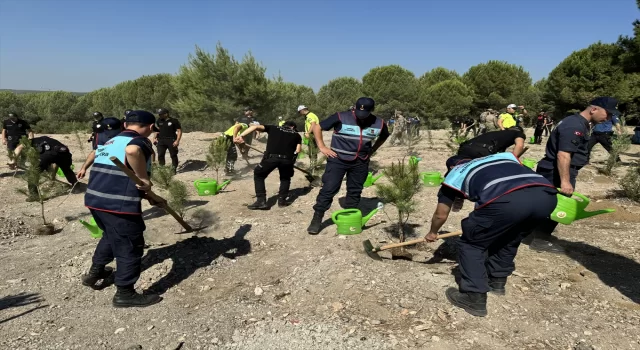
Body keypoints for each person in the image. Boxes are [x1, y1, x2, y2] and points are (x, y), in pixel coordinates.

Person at [424, 152, 557, 317]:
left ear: (452, 167)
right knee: (510, 237)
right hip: (546, 196)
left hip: (507, 200)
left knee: (472, 244)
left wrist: (432, 232)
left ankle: (474, 297)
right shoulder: (500, 158)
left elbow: (440, 215)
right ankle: (497, 281)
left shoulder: (455, 173)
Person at [82, 110, 162, 308]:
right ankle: (125, 293)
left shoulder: (111, 141)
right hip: (118, 205)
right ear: (151, 127)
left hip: (95, 200)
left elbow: (120, 175)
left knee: (110, 236)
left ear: (125, 124)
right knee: (130, 245)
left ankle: (96, 272)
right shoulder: (140, 141)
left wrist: (148, 196)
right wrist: (144, 179)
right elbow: (132, 153)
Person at [527, 97, 617, 254]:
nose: (608, 118)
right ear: (594, 109)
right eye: (607, 113)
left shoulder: (579, 122)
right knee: (555, 205)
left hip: (556, 169)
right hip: (555, 171)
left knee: (546, 204)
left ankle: (531, 235)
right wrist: (565, 182)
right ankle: (540, 240)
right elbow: (563, 155)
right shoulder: (574, 125)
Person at [306, 97, 390, 234]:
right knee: (329, 188)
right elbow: (317, 127)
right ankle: (317, 218)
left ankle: (349, 217)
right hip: (337, 159)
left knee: (355, 190)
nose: (360, 116)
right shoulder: (340, 116)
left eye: (364, 113)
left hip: (361, 161)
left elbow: (384, 136)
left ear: (371, 111)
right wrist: (322, 146)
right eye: (358, 112)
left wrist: (373, 149)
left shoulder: (379, 123)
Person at [234, 121, 302, 210]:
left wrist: (241, 136)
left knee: (259, 174)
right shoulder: (297, 135)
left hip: (271, 158)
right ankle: (282, 201)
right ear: (293, 127)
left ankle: (261, 201)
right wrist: (291, 162)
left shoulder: (273, 127)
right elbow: (298, 150)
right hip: (287, 160)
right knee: (285, 178)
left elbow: (254, 127)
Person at [456, 127, 527, 159]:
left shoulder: (497, 134)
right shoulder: (518, 133)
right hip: (481, 151)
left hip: (464, 147)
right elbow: (519, 145)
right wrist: (512, 159)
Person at [152, 108, 182, 173]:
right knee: (160, 155)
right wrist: (154, 138)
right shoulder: (159, 120)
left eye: (161, 114)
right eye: (159, 114)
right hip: (161, 140)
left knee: (173, 155)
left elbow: (179, 131)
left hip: (171, 140)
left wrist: (177, 141)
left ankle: (173, 169)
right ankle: (162, 169)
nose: (159, 115)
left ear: (166, 114)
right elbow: (158, 130)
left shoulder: (174, 121)